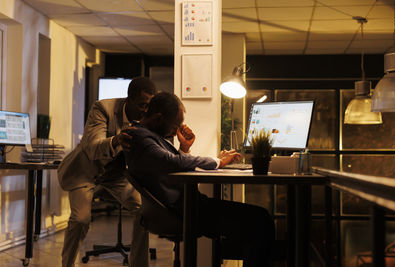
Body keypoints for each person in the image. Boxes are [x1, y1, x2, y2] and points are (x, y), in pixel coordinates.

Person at [124, 92, 275, 267]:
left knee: (257, 220)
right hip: (182, 211)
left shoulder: (146, 135)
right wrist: (218, 161)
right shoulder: (139, 137)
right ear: (158, 118)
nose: (177, 130)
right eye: (175, 125)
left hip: (187, 206)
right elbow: (172, 162)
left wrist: (184, 148)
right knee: (261, 220)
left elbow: (166, 166)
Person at [57, 77, 157, 267]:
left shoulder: (148, 117)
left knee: (144, 211)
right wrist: (116, 141)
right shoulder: (102, 109)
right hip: (85, 172)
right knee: (80, 219)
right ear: (129, 99)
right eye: (142, 105)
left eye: (149, 106)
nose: (146, 110)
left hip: (116, 176)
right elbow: (92, 148)